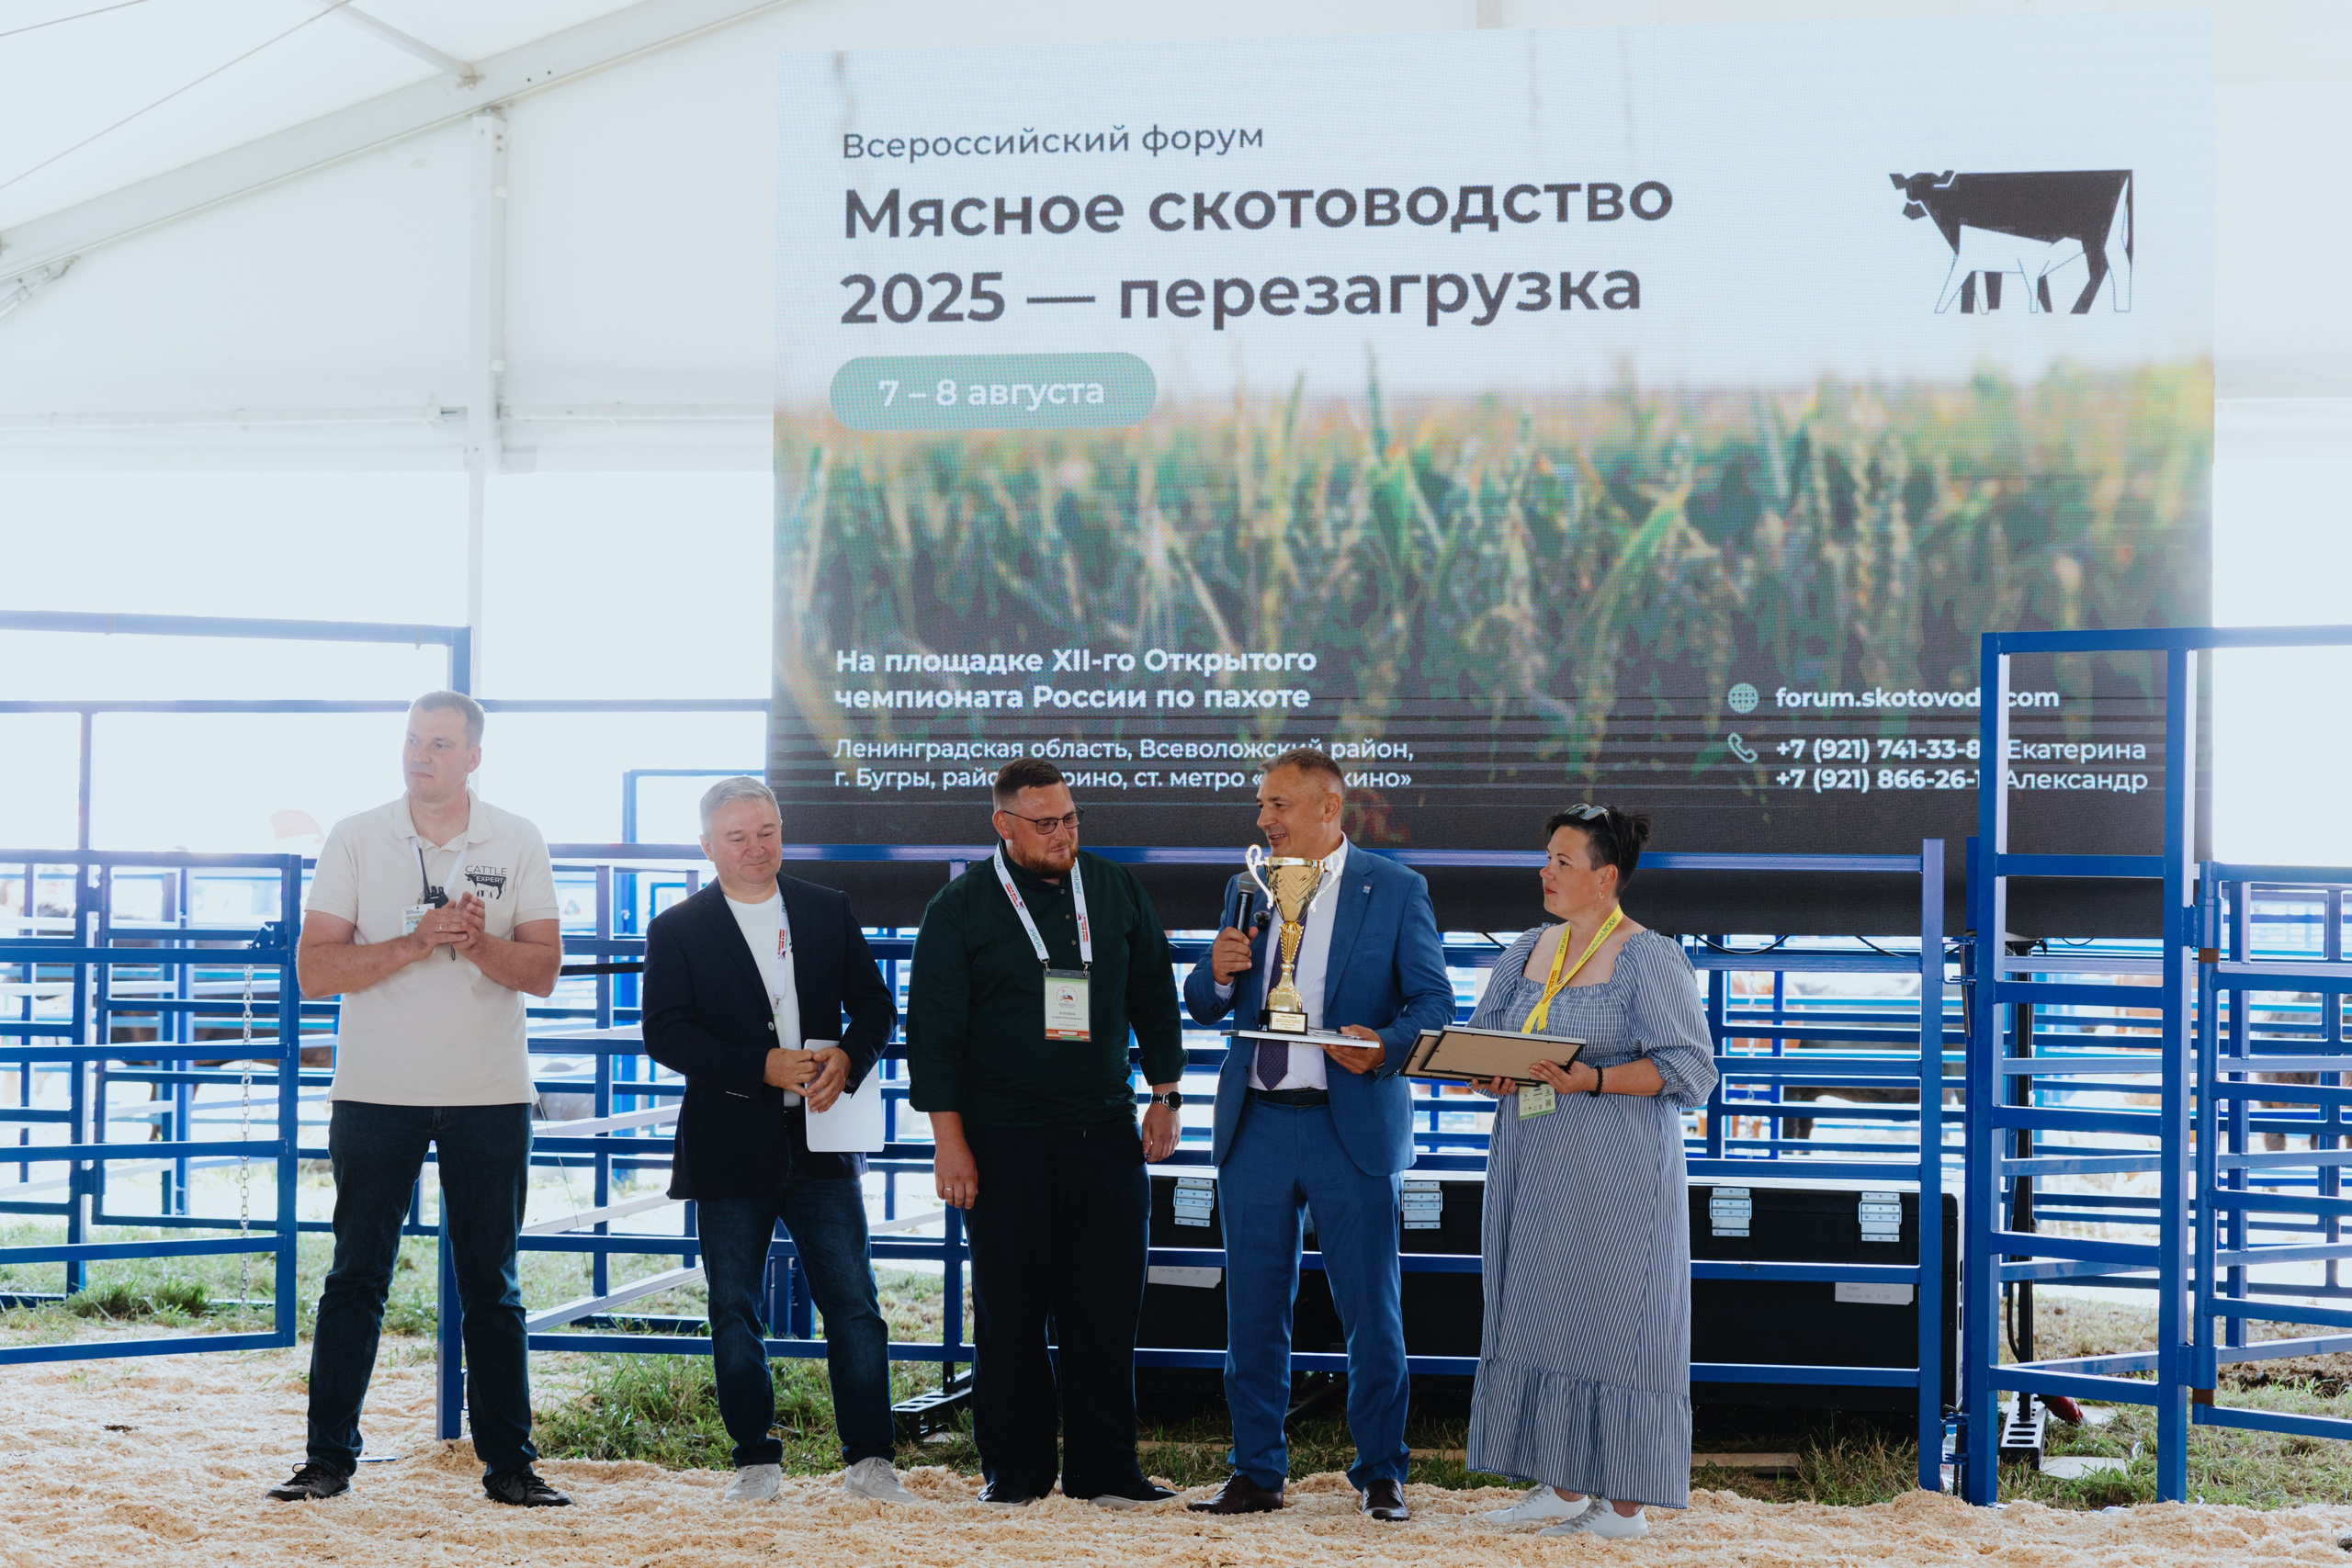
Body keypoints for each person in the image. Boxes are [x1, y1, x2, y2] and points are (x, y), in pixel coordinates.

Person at [270, 692, 570, 1506]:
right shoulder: (357, 835)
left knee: (493, 1285)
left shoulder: (519, 837)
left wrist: (478, 942)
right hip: (375, 1093)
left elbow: (542, 971)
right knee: (355, 1277)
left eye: (439, 743)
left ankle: (511, 1466)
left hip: (490, 1094)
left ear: (474, 755)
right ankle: (327, 1460)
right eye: (411, 740)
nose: (419, 754)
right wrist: (415, 941)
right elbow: (316, 969)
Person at [1180, 747, 1454, 1522]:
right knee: (1253, 1313)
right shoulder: (1246, 887)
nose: (1263, 819)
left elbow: (1433, 1004)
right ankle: (1257, 1472)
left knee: (1373, 1311)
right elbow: (1203, 1001)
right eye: (1263, 806)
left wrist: (1383, 1044)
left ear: (1329, 809)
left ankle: (1380, 1474)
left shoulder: (1397, 890)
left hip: (1352, 1126)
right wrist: (1220, 971)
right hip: (1258, 1124)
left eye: (1278, 806)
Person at [904, 758, 1184, 1508]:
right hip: (1002, 1141)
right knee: (1011, 1314)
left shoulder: (1115, 886)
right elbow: (932, 1035)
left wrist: (1166, 1092)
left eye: (1071, 818)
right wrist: (949, 1139)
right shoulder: (959, 907)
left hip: (1106, 1134)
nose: (1063, 833)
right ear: (1004, 824)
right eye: (1046, 822)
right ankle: (1018, 1474)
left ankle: (1108, 1471)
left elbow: (1155, 991)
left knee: (1106, 1310)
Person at [640, 776, 916, 1506]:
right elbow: (663, 1032)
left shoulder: (828, 907)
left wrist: (849, 1058)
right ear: (707, 846)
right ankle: (756, 1462)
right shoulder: (677, 927)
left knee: (854, 1301)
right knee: (734, 1303)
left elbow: (877, 1005)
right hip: (730, 1141)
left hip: (824, 1138)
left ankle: (871, 1460)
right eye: (738, 836)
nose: (756, 846)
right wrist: (756, 1066)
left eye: (767, 830)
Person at [1464, 805, 1718, 1541]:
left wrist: (1593, 1080)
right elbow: (1489, 1041)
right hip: (1534, 1162)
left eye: (1563, 861)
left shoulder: (1649, 955)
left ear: (1605, 877)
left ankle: (1626, 1506)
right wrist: (1490, 1073)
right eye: (1546, 857)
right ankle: (1564, 1484)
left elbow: (1691, 1070)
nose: (1546, 871)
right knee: (1541, 1311)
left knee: (1618, 1323)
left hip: (1621, 1174)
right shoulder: (1526, 949)